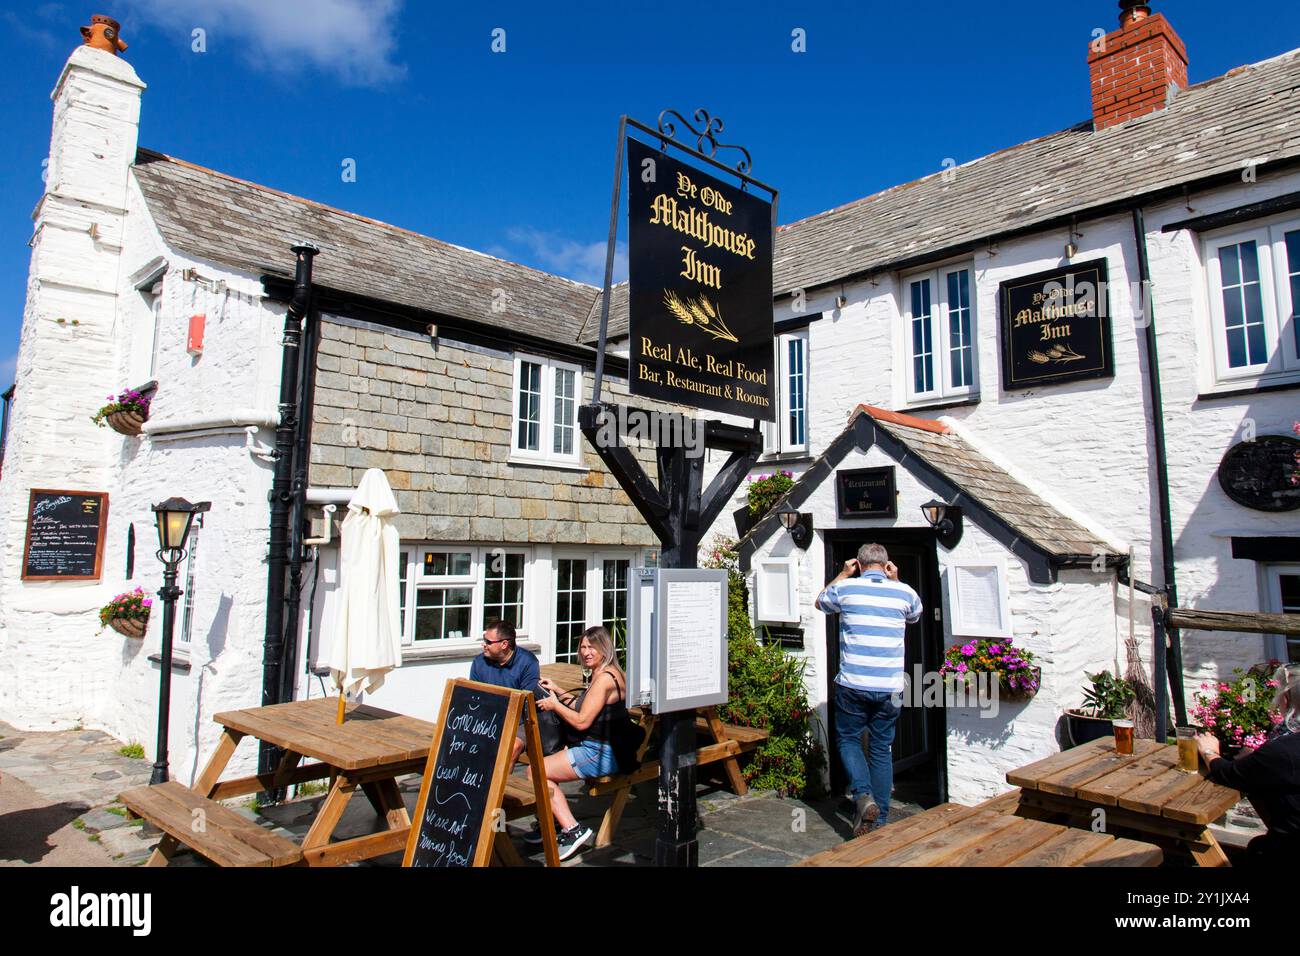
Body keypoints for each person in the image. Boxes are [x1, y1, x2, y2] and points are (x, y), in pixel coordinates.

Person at [816, 543, 923, 836]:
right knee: (881, 748)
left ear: (860, 565)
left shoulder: (847, 589)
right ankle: (880, 819)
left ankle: (863, 796)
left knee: (848, 740)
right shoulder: (905, 592)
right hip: (889, 686)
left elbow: (820, 602)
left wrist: (842, 573)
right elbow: (915, 615)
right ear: (886, 565)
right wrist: (897, 580)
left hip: (854, 683)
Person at [529, 626, 637, 860]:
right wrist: (558, 690)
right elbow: (584, 705)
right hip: (607, 747)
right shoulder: (606, 673)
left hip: (602, 753)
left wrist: (554, 704)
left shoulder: (605, 679)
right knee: (541, 763)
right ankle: (554, 824)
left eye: (592, 647)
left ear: (604, 648)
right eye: (583, 647)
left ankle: (571, 829)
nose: (586, 652)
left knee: (535, 771)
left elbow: (581, 721)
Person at [1197, 662, 1300, 866]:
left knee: (1258, 850)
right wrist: (1257, 759)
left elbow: (1227, 774)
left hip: (1289, 849)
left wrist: (1209, 751)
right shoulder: (1280, 751)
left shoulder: (1283, 750)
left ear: (1286, 700)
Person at [468, 620, 538, 762]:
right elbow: (474, 697)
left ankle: (501, 783)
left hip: (520, 721)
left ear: (504, 644)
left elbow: (526, 702)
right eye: (484, 640)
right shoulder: (479, 662)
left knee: (511, 747)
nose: (484, 645)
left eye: (488, 642)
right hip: (487, 718)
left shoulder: (527, 662)